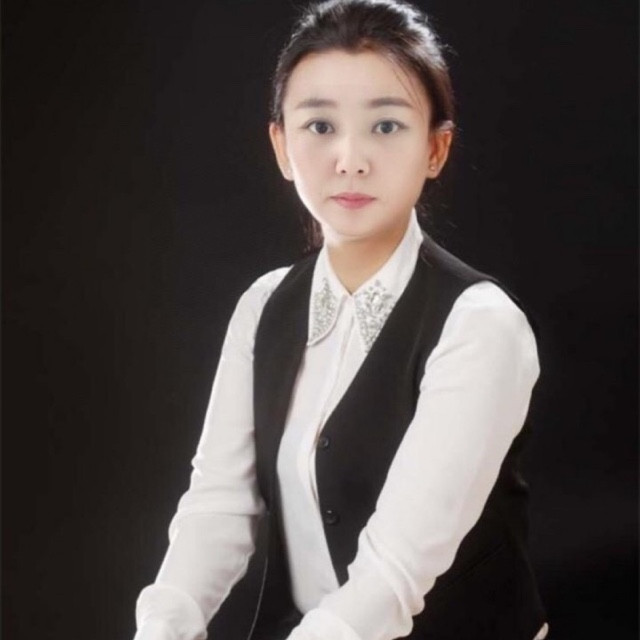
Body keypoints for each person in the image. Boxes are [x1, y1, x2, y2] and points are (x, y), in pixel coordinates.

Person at [133, 1, 550, 639]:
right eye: (320, 125)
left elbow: (395, 571)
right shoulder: (264, 306)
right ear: (282, 146)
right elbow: (219, 504)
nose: (350, 159)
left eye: (386, 126)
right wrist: (163, 626)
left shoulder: (480, 326)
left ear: (436, 148)